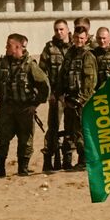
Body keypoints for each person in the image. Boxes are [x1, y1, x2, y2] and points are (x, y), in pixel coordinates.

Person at [0, 33, 49, 177]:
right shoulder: (2, 63)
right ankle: (0, 168)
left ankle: (23, 168)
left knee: (25, 140)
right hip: (6, 108)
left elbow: (44, 86)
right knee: (2, 138)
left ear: (17, 46)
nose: (6, 47)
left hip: (25, 109)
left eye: (9, 45)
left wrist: (35, 104)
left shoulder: (30, 65)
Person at [60, 21, 96, 171]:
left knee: (82, 133)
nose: (79, 41)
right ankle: (68, 161)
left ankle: (84, 161)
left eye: (82, 38)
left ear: (86, 38)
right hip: (68, 100)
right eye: (76, 38)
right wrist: (61, 94)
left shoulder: (88, 56)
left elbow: (90, 82)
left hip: (82, 102)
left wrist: (81, 100)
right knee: (69, 133)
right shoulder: (69, 54)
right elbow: (63, 75)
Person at [37, 19, 70, 173]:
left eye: (62, 29)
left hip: (71, 96)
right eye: (56, 29)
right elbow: (42, 73)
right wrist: (49, 93)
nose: (59, 32)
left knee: (72, 128)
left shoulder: (75, 46)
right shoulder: (49, 48)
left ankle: (68, 158)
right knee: (53, 128)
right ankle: (49, 158)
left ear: (67, 29)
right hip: (56, 95)